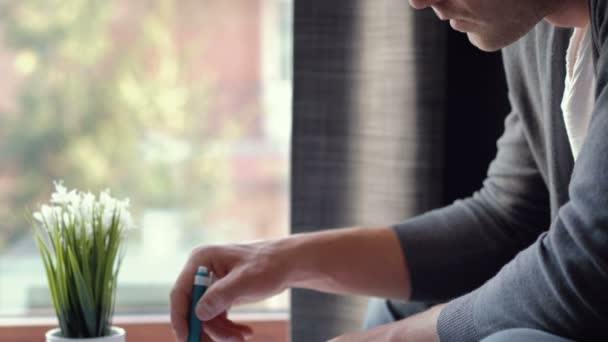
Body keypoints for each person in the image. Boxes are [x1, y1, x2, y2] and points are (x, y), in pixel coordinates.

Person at [170, 0, 608, 340]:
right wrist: (282, 261)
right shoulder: (539, 30)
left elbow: (589, 267)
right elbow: (510, 219)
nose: (418, 2)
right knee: (405, 309)